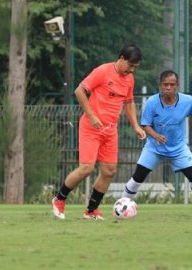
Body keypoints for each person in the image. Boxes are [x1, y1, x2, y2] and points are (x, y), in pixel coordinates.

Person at [52, 44, 147, 220]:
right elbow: (79, 91)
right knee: (86, 168)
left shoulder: (129, 79)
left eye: (135, 67)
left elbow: (129, 102)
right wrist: (91, 115)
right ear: (121, 59)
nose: (132, 70)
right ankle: (59, 199)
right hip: (91, 127)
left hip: (110, 131)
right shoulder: (103, 71)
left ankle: (91, 210)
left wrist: (135, 126)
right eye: (130, 65)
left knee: (109, 171)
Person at [121, 70, 192, 213]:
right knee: (138, 177)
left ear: (177, 85)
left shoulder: (188, 101)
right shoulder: (152, 102)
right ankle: (122, 205)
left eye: (172, 84)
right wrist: (156, 135)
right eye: (165, 84)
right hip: (154, 147)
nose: (168, 88)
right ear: (160, 85)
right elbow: (145, 125)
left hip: (178, 148)